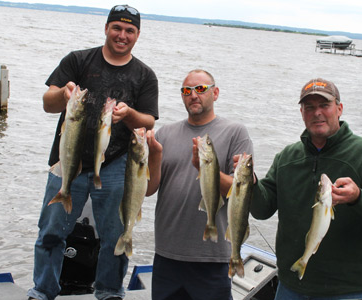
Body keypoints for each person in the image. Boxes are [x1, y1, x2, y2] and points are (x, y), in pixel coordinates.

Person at [27, 5, 159, 300]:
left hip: (115, 165)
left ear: (137, 35)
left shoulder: (145, 75)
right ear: (106, 28)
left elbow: (149, 120)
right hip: (68, 161)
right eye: (117, 28)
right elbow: (48, 103)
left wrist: (129, 114)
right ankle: (42, 291)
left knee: (115, 235)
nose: (122, 35)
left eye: (129, 30)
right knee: (51, 231)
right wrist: (62, 96)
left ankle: (110, 292)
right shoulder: (77, 60)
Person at [249, 78, 362, 299]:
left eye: (324, 105)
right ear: (302, 113)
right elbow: (261, 210)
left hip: (348, 290)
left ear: (339, 108)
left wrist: (358, 197)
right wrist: (250, 184)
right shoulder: (286, 158)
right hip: (291, 286)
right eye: (309, 107)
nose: (317, 113)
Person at [145, 69, 254, 300]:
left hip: (212, 257)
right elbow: (148, 189)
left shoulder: (235, 132)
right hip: (167, 254)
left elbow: (241, 192)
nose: (193, 95)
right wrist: (154, 156)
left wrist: (206, 169)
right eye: (186, 90)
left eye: (201, 89)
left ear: (215, 93)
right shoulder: (165, 132)